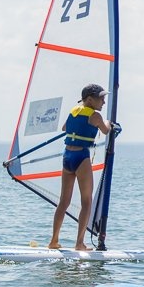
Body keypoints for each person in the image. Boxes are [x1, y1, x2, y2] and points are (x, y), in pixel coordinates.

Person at [48, 84, 116, 250]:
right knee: (87, 202)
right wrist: (108, 122)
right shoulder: (95, 115)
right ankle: (79, 243)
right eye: (101, 98)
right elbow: (106, 130)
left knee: (64, 201)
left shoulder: (74, 111)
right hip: (81, 157)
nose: (104, 102)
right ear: (90, 99)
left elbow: (65, 128)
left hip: (67, 157)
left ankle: (53, 241)